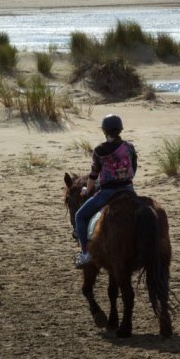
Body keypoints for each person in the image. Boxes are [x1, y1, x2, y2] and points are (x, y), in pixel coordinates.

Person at [73, 114, 137, 268]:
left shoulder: (99, 150)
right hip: (129, 190)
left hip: (108, 192)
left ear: (104, 131)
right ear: (120, 129)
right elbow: (133, 170)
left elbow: (94, 174)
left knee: (80, 216)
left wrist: (86, 190)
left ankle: (85, 253)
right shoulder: (129, 147)